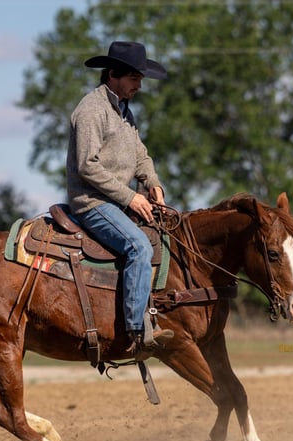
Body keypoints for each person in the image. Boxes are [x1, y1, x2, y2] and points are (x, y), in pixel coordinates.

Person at [66, 41, 173, 356]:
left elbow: (141, 157)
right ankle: (137, 331)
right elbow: (87, 166)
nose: (139, 85)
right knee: (139, 247)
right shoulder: (91, 110)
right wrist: (130, 198)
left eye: (140, 79)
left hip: (116, 202)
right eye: (134, 78)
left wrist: (153, 185)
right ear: (113, 75)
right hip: (92, 202)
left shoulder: (125, 112)